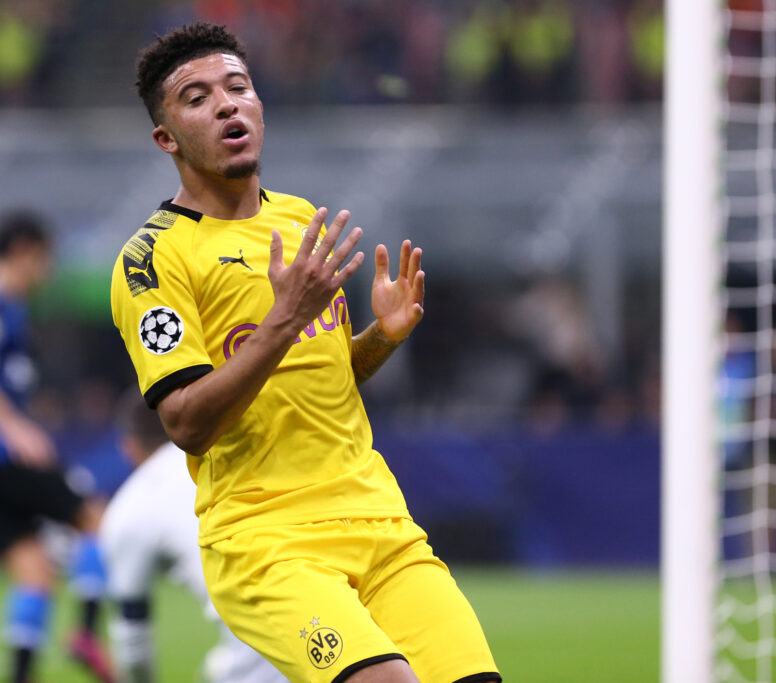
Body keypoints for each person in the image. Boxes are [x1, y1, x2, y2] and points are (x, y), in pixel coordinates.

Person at [109, 22, 500, 683]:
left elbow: (322, 377)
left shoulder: (297, 219)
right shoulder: (152, 259)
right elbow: (185, 421)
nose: (228, 104)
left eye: (238, 87)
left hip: (378, 518)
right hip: (269, 538)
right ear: (166, 138)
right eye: (197, 97)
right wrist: (285, 318)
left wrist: (383, 335)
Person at [0, 211, 114, 683]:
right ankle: (88, 634)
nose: (46, 272)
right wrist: (13, 427)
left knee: (33, 570)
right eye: (44, 260)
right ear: (23, 252)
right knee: (94, 517)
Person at [98, 391, 287, 683]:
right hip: (340, 611)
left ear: (129, 446)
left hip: (263, 645)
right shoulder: (233, 450)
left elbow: (132, 641)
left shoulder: (129, 508)